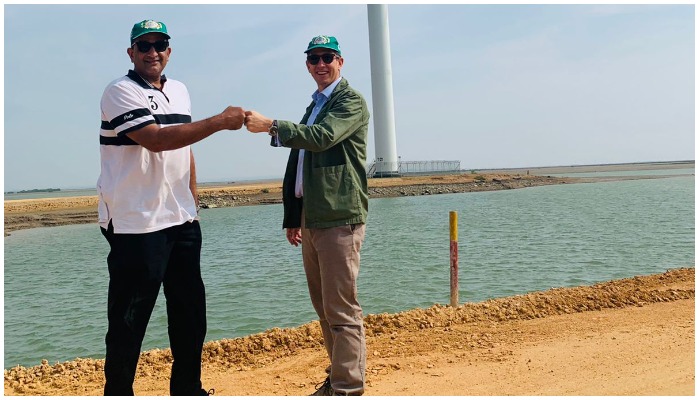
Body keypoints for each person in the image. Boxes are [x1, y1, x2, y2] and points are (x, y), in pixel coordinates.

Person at [97, 19, 245, 396]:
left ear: (169, 51)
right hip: (136, 224)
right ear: (131, 53)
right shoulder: (118, 91)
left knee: (191, 315)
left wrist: (192, 197)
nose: (152, 52)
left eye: (159, 45)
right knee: (129, 321)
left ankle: (187, 389)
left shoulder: (179, 90)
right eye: (143, 46)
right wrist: (220, 122)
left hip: (181, 220)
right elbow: (157, 140)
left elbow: (184, 144)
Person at [244, 35, 370, 396]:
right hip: (313, 218)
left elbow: (320, 138)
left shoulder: (350, 101)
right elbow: (299, 162)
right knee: (324, 308)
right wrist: (292, 216)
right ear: (307, 65)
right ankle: (338, 378)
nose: (320, 64)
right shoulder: (316, 103)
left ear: (340, 61)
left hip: (339, 216)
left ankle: (348, 387)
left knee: (341, 309)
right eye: (314, 58)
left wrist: (272, 126)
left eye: (327, 57)